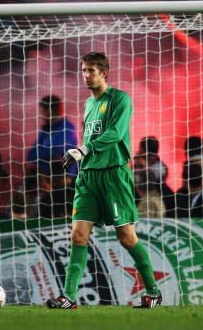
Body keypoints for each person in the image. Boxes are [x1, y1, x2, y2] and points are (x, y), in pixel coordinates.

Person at [46, 52, 161, 309]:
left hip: (113, 175)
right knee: (78, 235)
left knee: (127, 237)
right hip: (88, 177)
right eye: (83, 70)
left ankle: (153, 292)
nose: (86, 75)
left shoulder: (120, 99)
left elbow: (115, 134)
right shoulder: (88, 104)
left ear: (104, 72)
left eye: (91, 71)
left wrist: (83, 150)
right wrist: (82, 156)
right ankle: (69, 297)